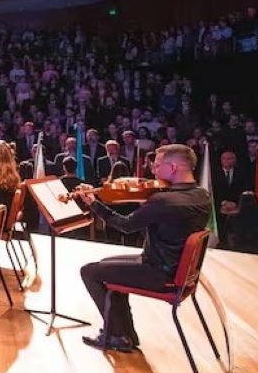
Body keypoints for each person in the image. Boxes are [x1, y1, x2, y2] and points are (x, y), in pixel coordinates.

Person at [78, 144, 212, 352]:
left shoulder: (163, 201)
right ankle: (124, 334)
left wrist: (93, 203)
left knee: (89, 271)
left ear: (174, 168)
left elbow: (125, 225)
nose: (152, 170)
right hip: (178, 270)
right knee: (106, 266)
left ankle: (118, 334)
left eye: (157, 165)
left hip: (160, 273)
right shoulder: (202, 195)